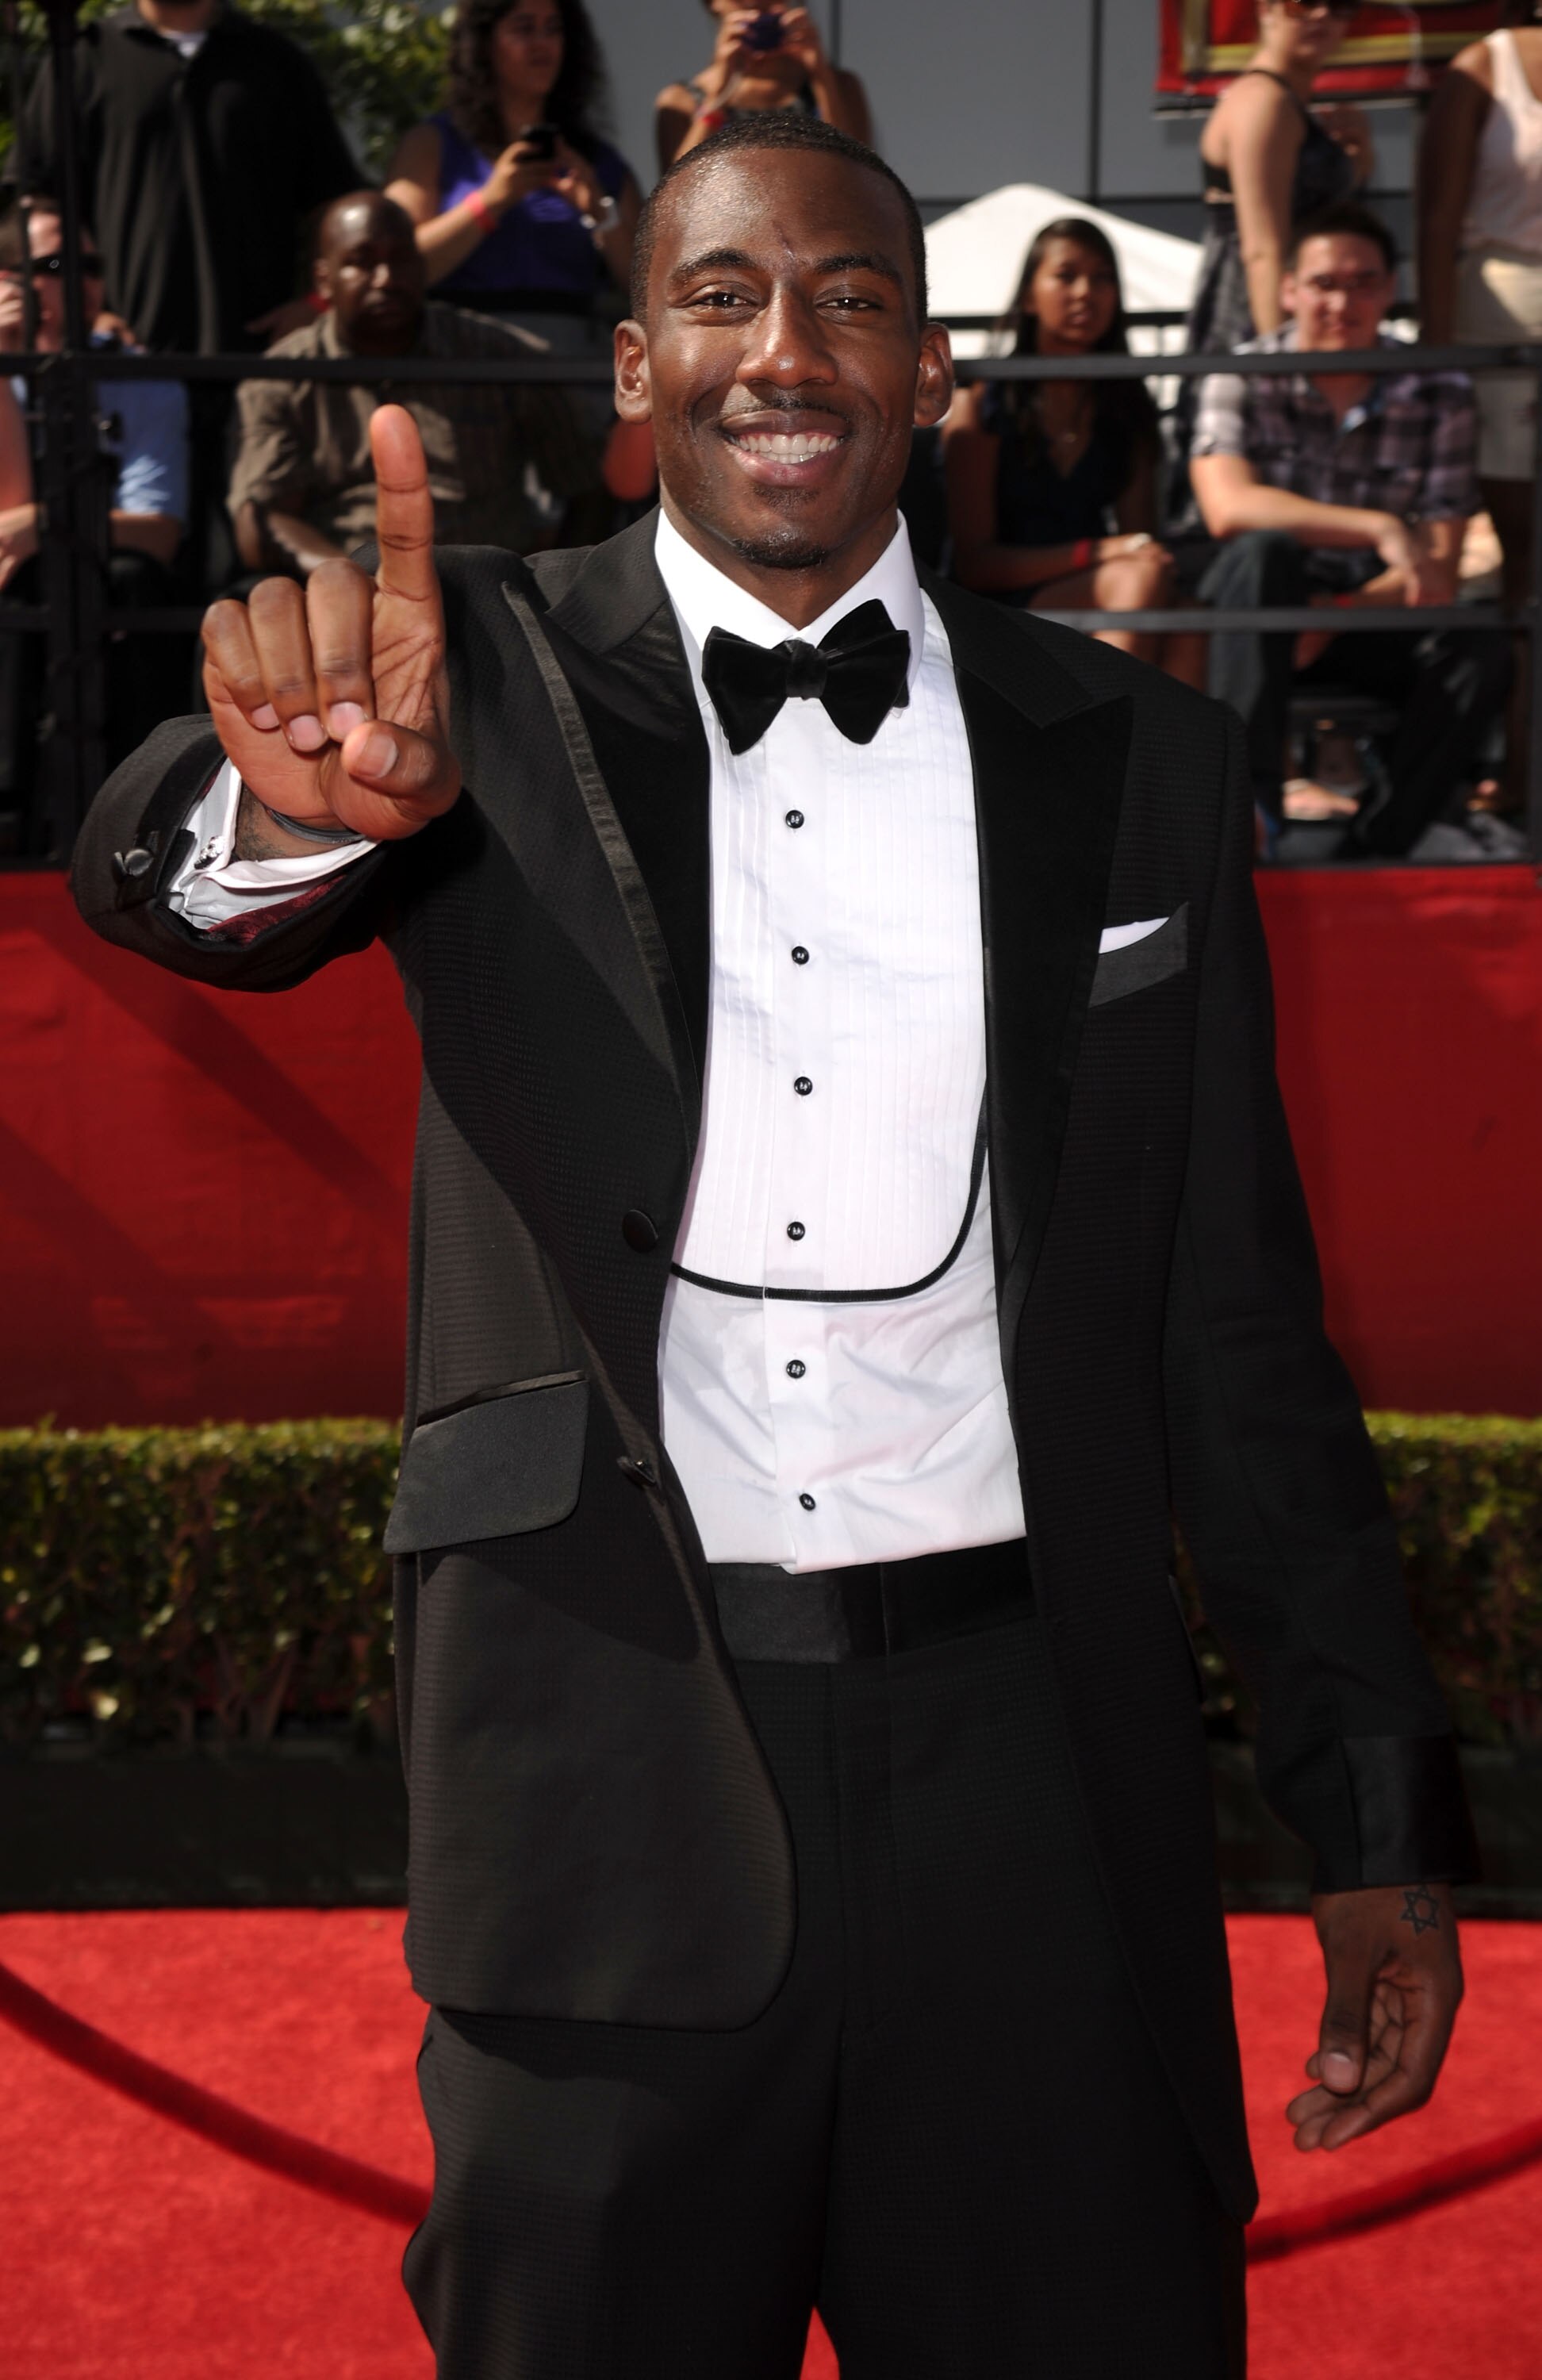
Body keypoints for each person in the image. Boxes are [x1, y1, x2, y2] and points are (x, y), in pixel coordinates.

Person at [75, 115, 1475, 2377]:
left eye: (847, 298)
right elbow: (161, 886)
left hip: (1040, 1796)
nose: (785, 349)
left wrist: (1371, 1814)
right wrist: (270, 805)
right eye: (721, 298)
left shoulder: (1137, 762)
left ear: (933, 370)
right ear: (635, 366)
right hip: (606, 1783)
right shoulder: (474, 687)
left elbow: (1235, 1338)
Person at [1191, 202, 1513, 861]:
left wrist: (1335, 613)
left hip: (1365, 614)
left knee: (1485, 646)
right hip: (1247, 615)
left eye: (1363, 282)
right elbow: (1226, 508)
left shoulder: (1438, 386)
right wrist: (1378, 527)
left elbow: (1441, 570)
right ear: (1289, 291)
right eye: (1324, 284)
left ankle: (1381, 844)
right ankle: (1247, 817)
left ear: (1391, 291)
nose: (1343, 301)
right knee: (1261, 554)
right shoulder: (1239, 370)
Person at [227, 193, 600, 580]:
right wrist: (355, 584)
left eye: (400, 258)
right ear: (324, 280)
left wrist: (550, 585)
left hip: (488, 595)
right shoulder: (280, 377)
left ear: (422, 267)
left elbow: (589, 485)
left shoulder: (502, 356)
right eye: (362, 262)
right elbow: (262, 524)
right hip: (348, 598)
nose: (386, 278)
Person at [0, 195, 190, 848]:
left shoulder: (141, 378)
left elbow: (159, 532)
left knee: (132, 577)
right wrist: (2, 363)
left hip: (99, 585)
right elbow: (4, 523)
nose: (78, 278)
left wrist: (46, 523)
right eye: (53, 263)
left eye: (90, 263)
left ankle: (141, 813)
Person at [944, 217, 1206, 685]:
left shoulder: (1128, 406)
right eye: (1067, 276)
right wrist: (1099, 552)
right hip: (993, 602)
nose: (1087, 291)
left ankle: (1157, 754)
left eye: (1103, 278)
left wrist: (1113, 555)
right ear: (1029, 296)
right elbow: (976, 565)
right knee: (1140, 579)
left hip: (1096, 588)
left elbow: (1139, 538)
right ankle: (1104, 744)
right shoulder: (981, 403)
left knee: (1188, 618)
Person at [21, 0, 359, 356]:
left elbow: (335, 204)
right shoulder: (82, 56)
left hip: (260, 364)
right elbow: (38, 206)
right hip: (122, 363)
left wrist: (316, 303)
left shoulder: (277, 61)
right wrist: (88, 311)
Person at [385, 0, 638, 445]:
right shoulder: (432, 144)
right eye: (524, 28)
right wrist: (491, 203)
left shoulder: (597, 161)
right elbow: (397, 266)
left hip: (571, 372)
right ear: (484, 44)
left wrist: (599, 211)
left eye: (553, 28)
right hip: (461, 365)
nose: (542, 44)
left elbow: (646, 287)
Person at [1418, 0, 1542, 815]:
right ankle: (1520, 782)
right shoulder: (1477, 69)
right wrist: (1432, 367)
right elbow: (1435, 223)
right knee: (1526, 567)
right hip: (1497, 330)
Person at [1174, 0, 1369, 505]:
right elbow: (1263, 248)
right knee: (1251, 480)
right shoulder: (1264, 100)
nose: (1324, 16)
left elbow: (1313, 233)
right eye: (1303, 2)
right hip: (1256, 316)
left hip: (1286, 313)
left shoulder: (1286, 102)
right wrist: (1279, 369)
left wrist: (1356, 166)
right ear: (1265, 8)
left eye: (1342, 5)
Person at [656, 2, 871, 167]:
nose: (757, 7)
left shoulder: (839, 85)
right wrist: (719, 94)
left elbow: (860, 173)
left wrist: (821, 76)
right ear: (714, 3)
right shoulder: (681, 100)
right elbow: (676, 193)